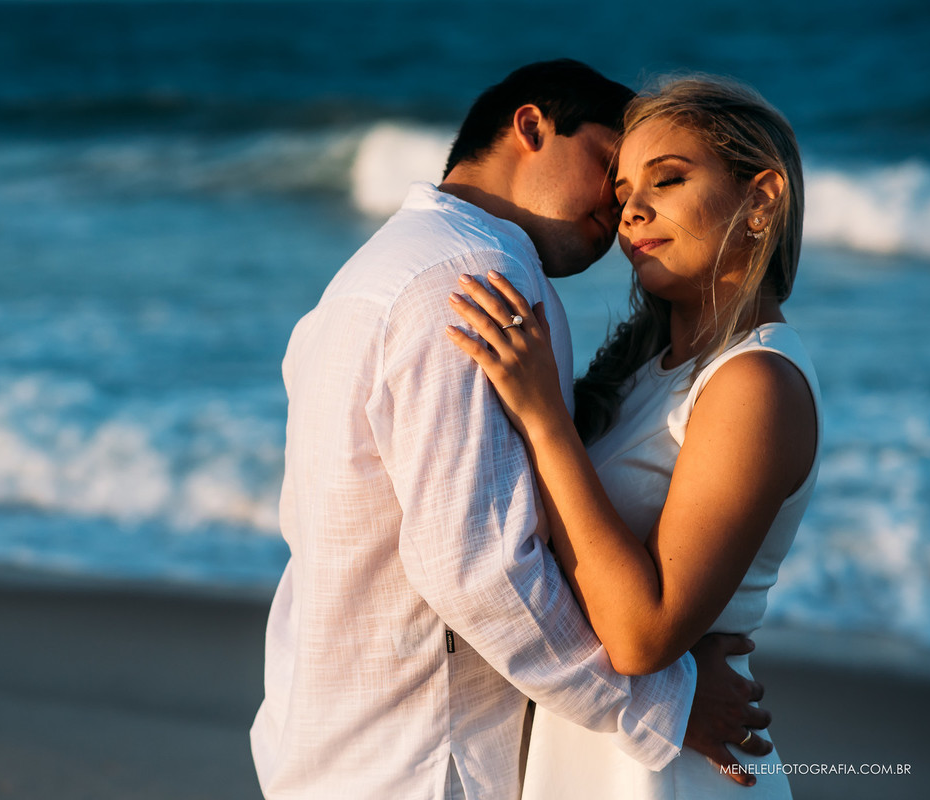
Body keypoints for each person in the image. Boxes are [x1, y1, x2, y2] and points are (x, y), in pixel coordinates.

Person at [251, 60, 771, 800]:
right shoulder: (475, 276)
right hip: (426, 762)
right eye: (610, 170)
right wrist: (667, 703)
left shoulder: (377, 269)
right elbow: (478, 567)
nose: (622, 208)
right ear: (532, 126)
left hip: (339, 743)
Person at [447, 77, 818, 797]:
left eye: (668, 180)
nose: (633, 212)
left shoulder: (755, 383)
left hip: (677, 766)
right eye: (622, 193)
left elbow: (643, 636)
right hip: (612, 741)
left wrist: (545, 418)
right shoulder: (649, 373)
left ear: (761, 198)